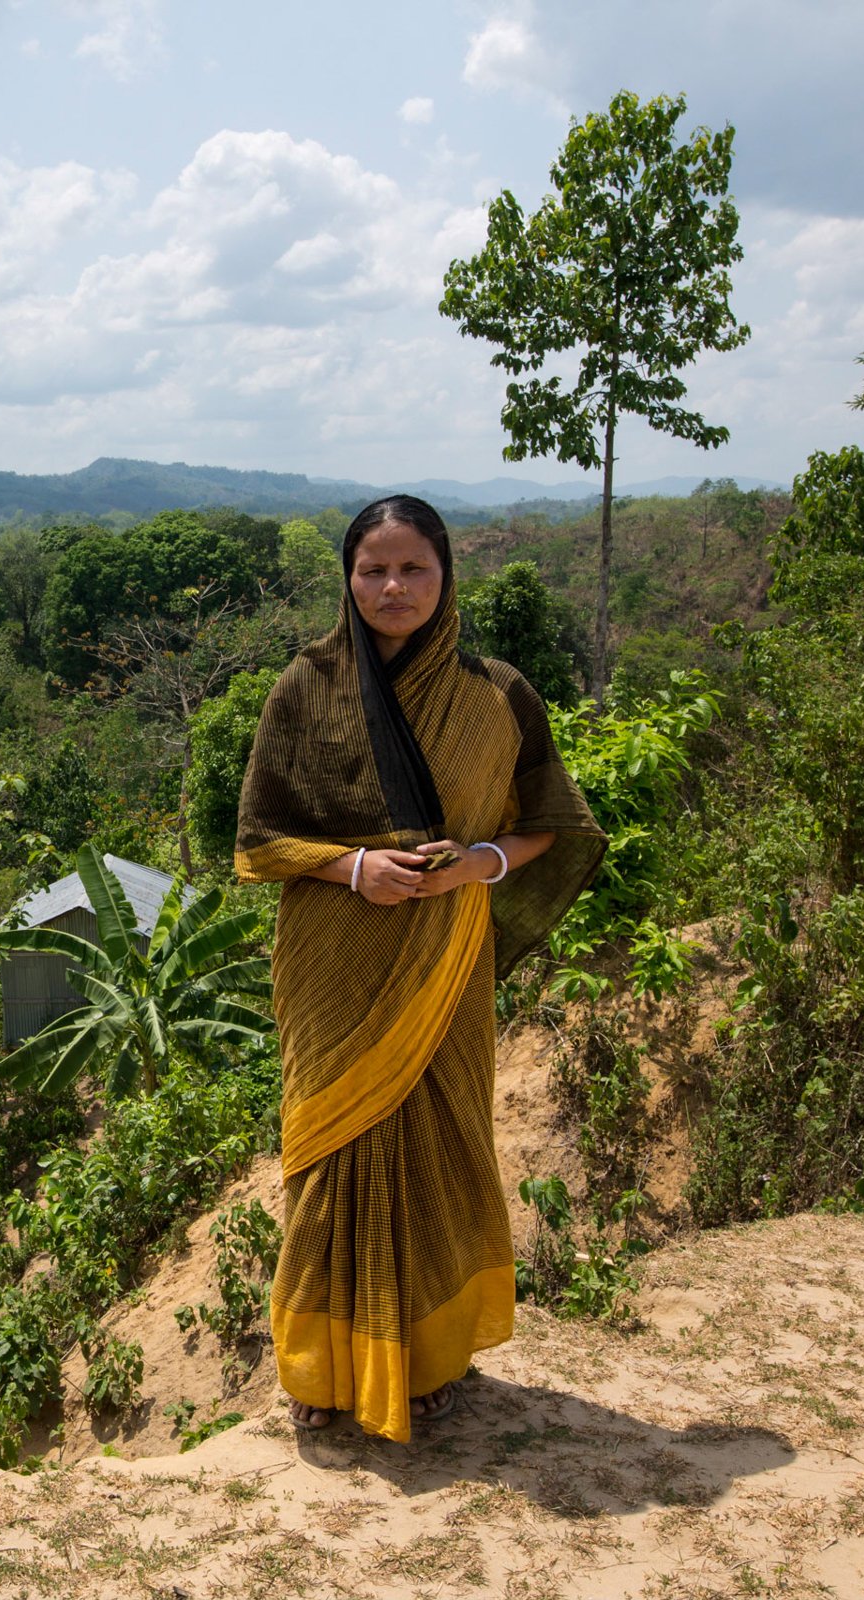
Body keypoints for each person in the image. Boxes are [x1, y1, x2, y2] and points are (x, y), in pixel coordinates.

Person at [233, 494, 604, 1442]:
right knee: (330, 1154)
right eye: (373, 570)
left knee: (439, 1147)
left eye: (414, 570)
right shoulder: (303, 688)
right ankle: (321, 1371)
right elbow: (259, 835)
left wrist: (482, 862)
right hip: (334, 958)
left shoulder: (498, 695)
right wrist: (355, 868)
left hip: (446, 957)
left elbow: (548, 827)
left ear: (446, 578)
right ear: (348, 579)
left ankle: (433, 1359)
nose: (393, 587)